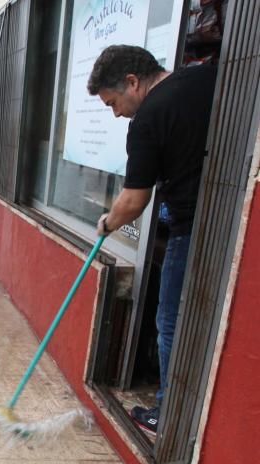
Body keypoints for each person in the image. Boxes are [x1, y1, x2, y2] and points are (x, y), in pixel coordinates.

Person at [88, 45, 217, 436]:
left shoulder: (146, 120)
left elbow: (134, 201)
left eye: (114, 102)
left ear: (132, 82)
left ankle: (169, 415)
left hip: (190, 228)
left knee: (171, 323)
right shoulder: (207, 78)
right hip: (224, 223)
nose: (116, 112)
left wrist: (108, 223)